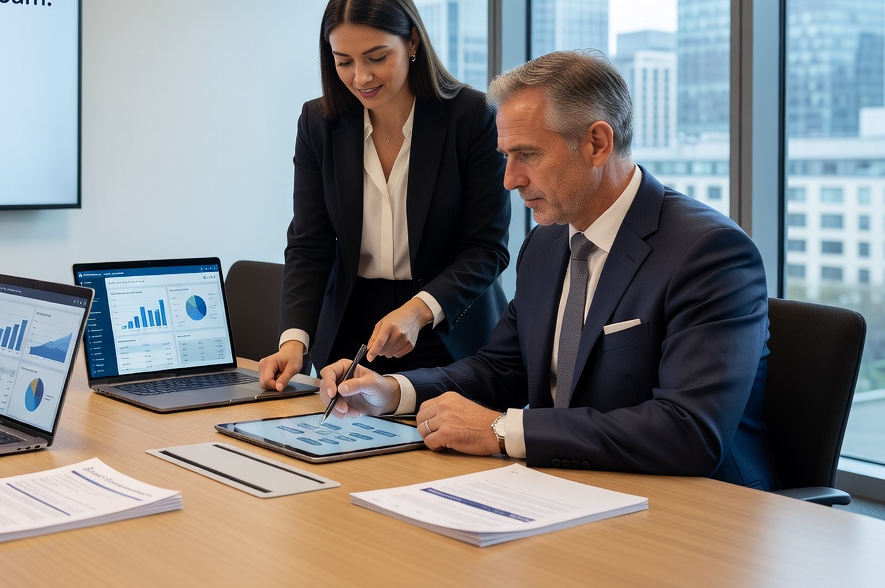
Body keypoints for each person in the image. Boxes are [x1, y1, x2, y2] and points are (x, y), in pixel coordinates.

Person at [321, 50, 779, 489]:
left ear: (597, 143)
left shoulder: (709, 252)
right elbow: (501, 369)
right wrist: (392, 390)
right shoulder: (545, 243)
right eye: (506, 156)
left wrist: (503, 431)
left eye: (528, 155)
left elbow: (688, 433)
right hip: (563, 488)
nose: (510, 179)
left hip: (694, 514)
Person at [259, 0, 510, 392]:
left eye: (376, 57)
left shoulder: (472, 117)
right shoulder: (319, 124)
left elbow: (487, 248)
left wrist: (418, 310)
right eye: (344, 61)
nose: (361, 77)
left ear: (412, 42)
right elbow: (309, 243)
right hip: (353, 335)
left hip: (449, 326)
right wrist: (294, 340)